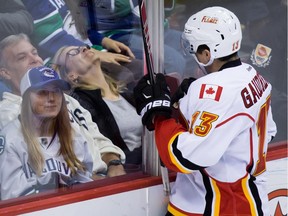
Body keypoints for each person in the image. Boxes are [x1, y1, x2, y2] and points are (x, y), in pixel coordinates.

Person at [133, 6, 277, 215]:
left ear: (207, 53)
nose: (192, 53)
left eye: (194, 48)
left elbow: (184, 157)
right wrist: (188, 109)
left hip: (218, 206)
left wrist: (159, 116)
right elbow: (267, 133)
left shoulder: (215, 91)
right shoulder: (253, 76)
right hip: (247, 200)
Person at [0, 33, 126, 178]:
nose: (34, 59)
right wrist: (86, 180)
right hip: (71, 190)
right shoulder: (6, 114)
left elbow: (98, 139)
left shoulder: (66, 99)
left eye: (34, 53)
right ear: (5, 73)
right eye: (22, 57)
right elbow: (42, 169)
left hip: (104, 178)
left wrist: (114, 164)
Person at [0, 66, 94, 200]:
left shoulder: (74, 135)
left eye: (56, 91)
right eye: (42, 92)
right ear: (27, 98)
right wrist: (50, 184)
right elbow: (11, 198)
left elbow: (85, 184)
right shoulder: (10, 138)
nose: (51, 98)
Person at [52, 45, 143, 167]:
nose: (84, 49)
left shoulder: (126, 92)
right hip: (132, 170)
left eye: (85, 47)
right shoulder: (82, 105)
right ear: (71, 75)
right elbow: (107, 151)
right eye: (73, 52)